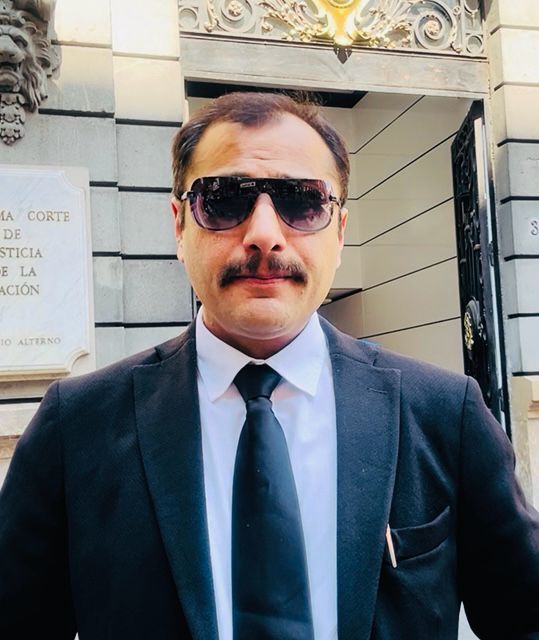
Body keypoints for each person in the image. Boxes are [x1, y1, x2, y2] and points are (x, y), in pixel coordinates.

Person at [0, 92, 538, 640]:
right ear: (179, 226)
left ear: (339, 231)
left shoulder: (445, 414)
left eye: (302, 202)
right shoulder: (77, 426)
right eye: (223, 199)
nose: (264, 233)